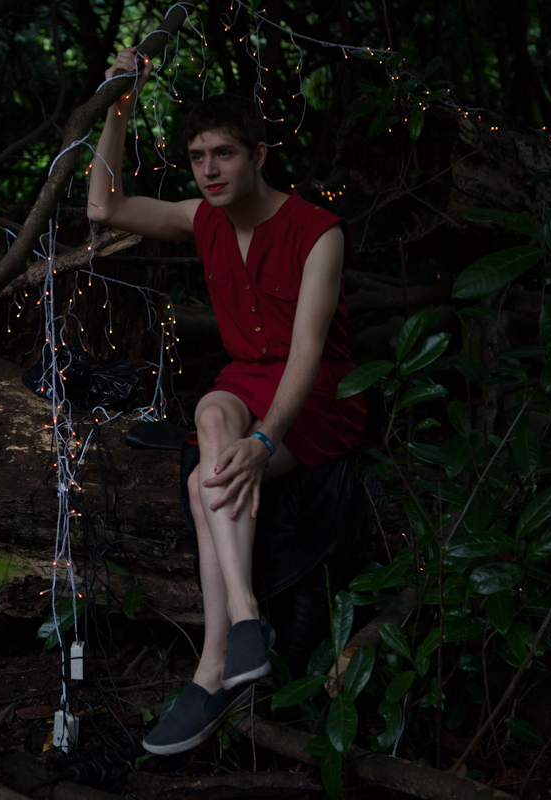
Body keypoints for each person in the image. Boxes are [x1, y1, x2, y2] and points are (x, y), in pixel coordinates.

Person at [87, 47, 366, 755]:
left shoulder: (317, 232)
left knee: (204, 474)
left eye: (225, 155)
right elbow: (104, 205)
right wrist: (120, 106)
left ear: (259, 156)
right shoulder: (201, 219)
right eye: (198, 157)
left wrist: (266, 441)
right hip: (245, 382)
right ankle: (245, 618)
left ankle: (213, 668)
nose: (209, 170)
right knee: (212, 414)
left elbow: (306, 355)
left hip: (316, 397)